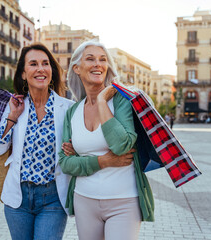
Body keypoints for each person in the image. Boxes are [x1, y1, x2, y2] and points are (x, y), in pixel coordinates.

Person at [59, 40, 154, 240]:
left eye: (102, 59)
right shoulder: (72, 112)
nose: (98, 64)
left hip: (124, 201)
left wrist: (102, 101)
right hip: (84, 200)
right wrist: (104, 161)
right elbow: (65, 163)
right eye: (90, 59)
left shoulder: (121, 101)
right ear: (76, 68)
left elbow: (121, 145)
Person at [0, 43, 74, 240]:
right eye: (33, 64)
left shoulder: (68, 108)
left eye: (45, 63)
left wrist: (74, 149)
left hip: (52, 198)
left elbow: (79, 146)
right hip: (18, 199)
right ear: (23, 73)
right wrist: (12, 117)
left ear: (52, 71)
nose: (40, 69)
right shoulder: (15, 106)